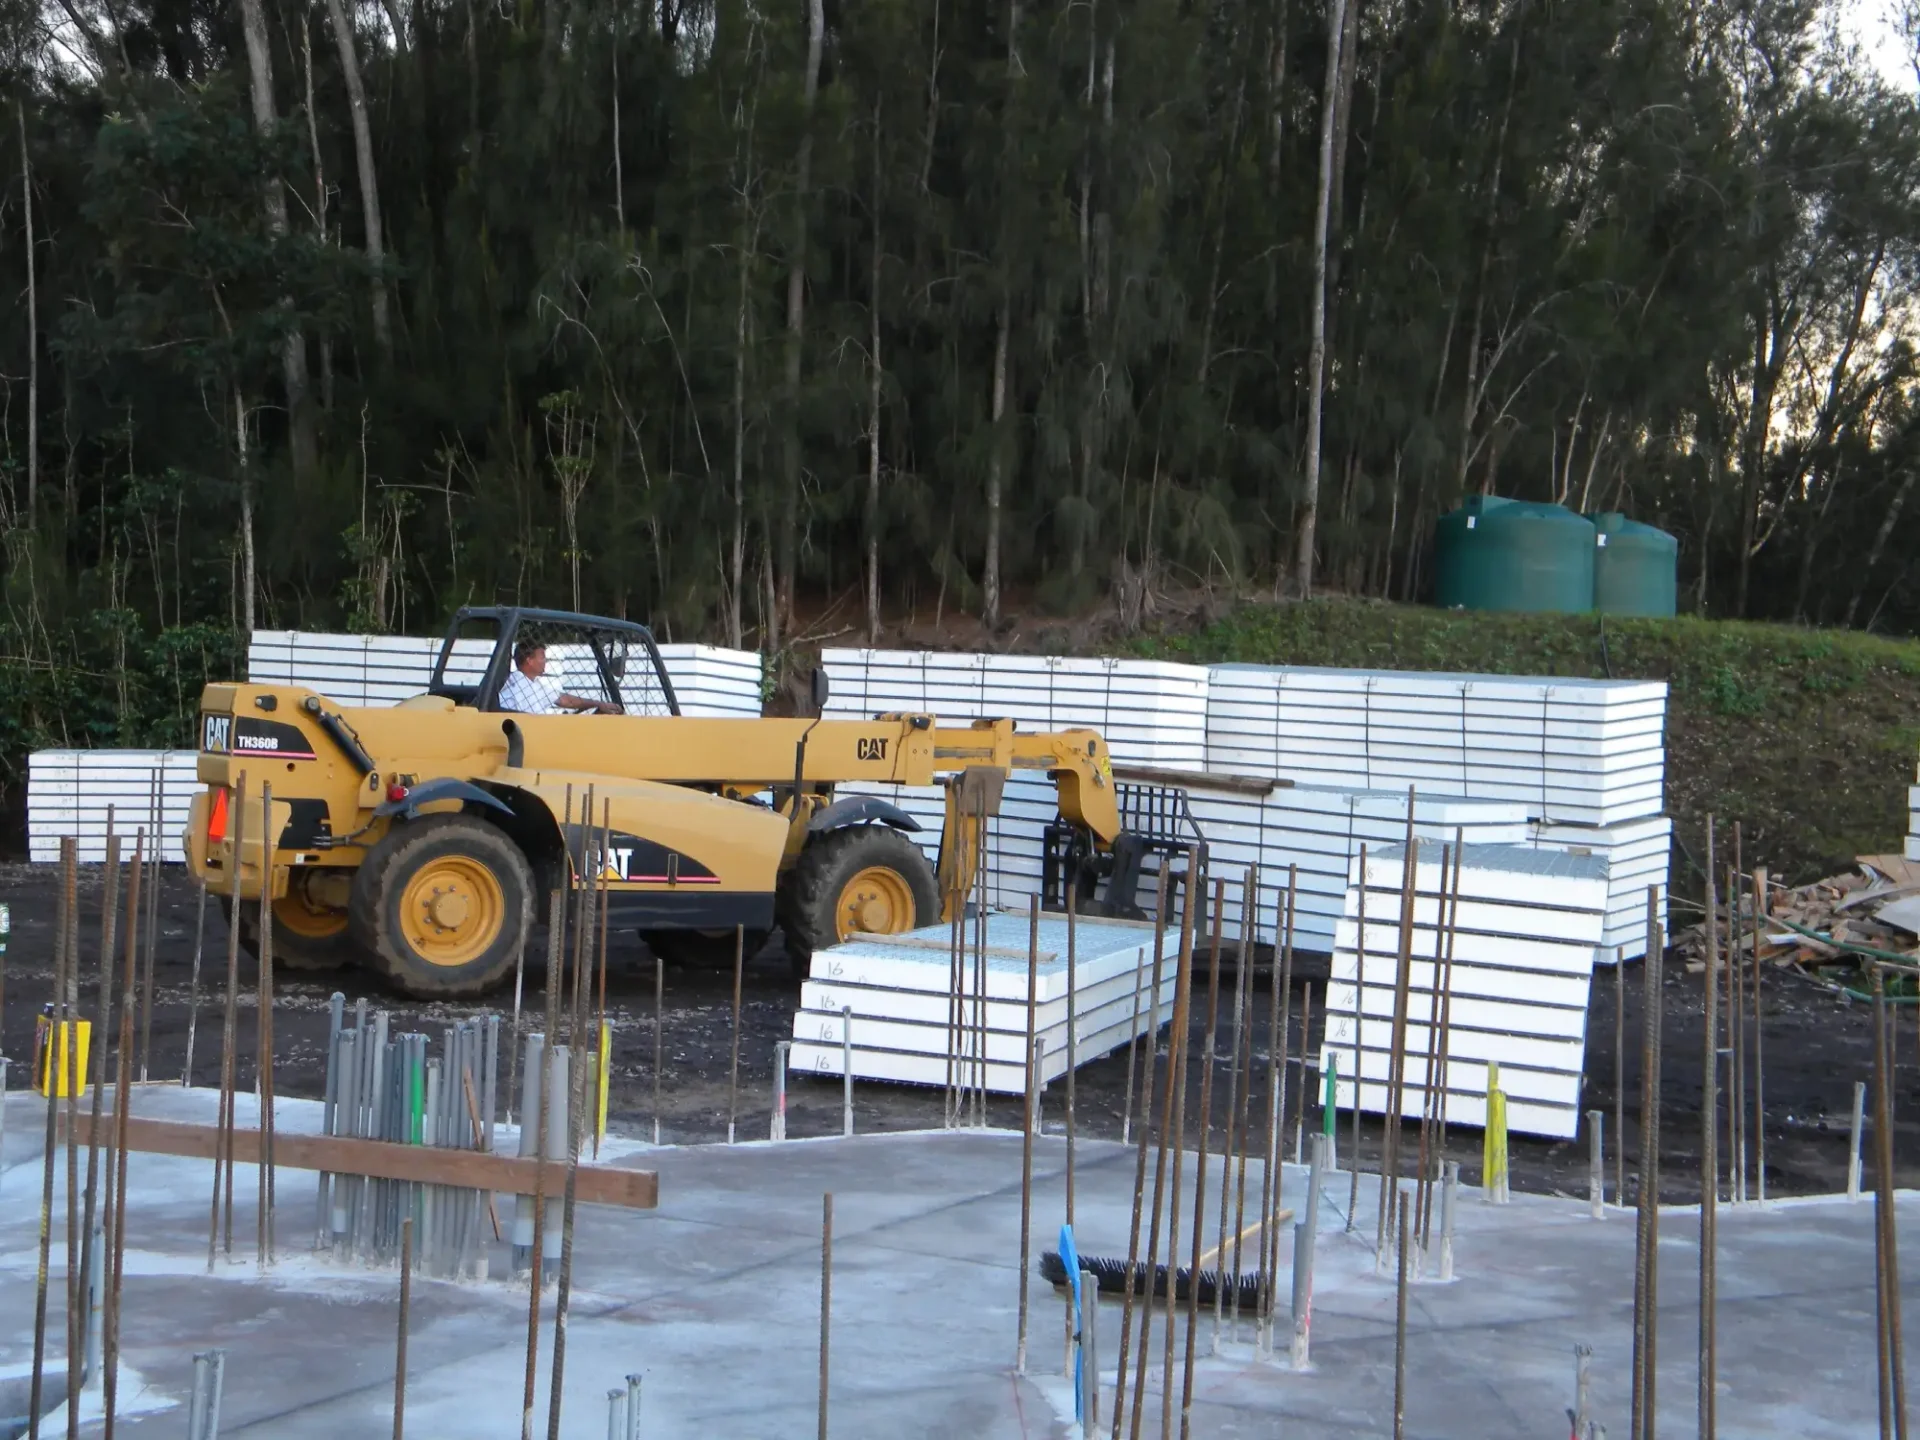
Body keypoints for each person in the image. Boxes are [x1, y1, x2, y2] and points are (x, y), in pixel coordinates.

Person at [497, 640, 620, 714]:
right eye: (542, 657)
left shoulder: (534, 684)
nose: (546, 661)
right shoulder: (519, 685)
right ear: (529, 660)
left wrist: (596, 703)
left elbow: (563, 699)